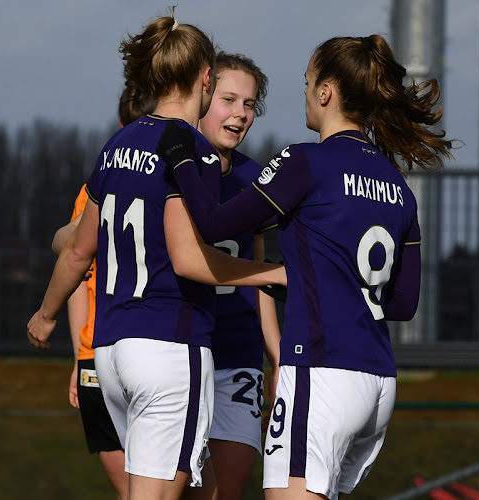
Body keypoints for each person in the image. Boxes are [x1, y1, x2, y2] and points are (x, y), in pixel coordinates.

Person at [157, 34, 454, 500]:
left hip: (320, 370)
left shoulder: (305, 160)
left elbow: (214, 223)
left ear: (326, 92)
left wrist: (179, 159)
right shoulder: (398, 185)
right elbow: (403, 303)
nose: (304, 91)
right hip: (377, 379)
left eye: (307, 80)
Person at [27, 12, 286, 500]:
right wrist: (275, 273)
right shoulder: (193, 152)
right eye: (224, 94)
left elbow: (80, 249)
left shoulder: (116, 145)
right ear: (205, 78)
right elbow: (189, 260)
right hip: (169, 344)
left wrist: (45, 315)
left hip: (111, 351)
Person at [49, 83, 156, 500]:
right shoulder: (179, 179)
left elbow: (75, 266)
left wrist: (81, 357)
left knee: (134, 493)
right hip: (156, 348)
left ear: (119, 126)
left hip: (101, 354)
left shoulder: (97, 185)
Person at [189, 52, 281, 500]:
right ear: (203, 95)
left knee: (227, 489)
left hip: (238, 355)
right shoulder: (170, 167)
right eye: (229, 99)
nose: (241, 113)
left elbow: (259, 269)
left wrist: (276, 354)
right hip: (179, 350)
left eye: (250, 103)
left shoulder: (256, 178)